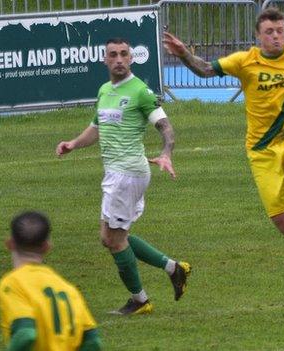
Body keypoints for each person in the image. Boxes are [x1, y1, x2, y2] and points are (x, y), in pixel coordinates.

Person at [162, 1, 284, 269]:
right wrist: (183, 54)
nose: (275, 36)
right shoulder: (244, 61)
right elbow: (205, 70)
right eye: (269, 32)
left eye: (280, 31)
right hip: (261, 149)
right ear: (258, 36)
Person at [55, 38, 191, 315]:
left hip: (127, 175)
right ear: (105, 60)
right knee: (114, 236)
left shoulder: (140, 91)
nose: (118, 59)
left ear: (131, 59)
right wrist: (73, 143)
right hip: (117, 174)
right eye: (113, 54)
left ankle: (141, 301)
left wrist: (166, 152)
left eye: (124, 54)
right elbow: (96, 127)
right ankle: (174, 268)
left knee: (113, 240)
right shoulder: (105, 90)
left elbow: (166, 127)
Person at [0, 211, 103, 350]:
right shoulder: (68, 288)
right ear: (47, 247)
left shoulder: (12, 284)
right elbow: (93, 342)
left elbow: (26, 334)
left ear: (10, 243)